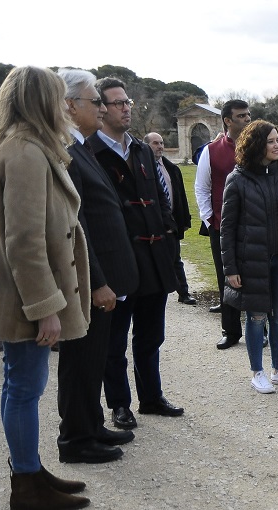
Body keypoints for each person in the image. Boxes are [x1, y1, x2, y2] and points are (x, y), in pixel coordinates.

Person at [0, 65, 91, 509]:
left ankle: (30, 472)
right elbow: (24, 240)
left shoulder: (24, 145)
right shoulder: (24, 151)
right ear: (40, 101)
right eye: (59, 98)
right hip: (22, 296)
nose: (65, 107)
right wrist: (45, 307)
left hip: (15, 291)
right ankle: (26, 486)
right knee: (24, 386)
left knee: (18, 384)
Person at [88, 77, 184, 431]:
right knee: (114, 340)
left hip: (154, 257)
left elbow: (159, 198)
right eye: (118, 103)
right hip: (118, 263)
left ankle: (151, 397)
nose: (126, 107)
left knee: (151, 335)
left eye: (128, 102)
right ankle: (119, 404)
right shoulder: (90, 153)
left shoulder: (142, 149)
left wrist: (169, 231)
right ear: (101, 108)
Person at [56, 68, 140, 465]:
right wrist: (99, 282)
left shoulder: (81, 147)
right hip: (92, 281)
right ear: (70, 106)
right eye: (95, 101)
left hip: (102, 278)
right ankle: (75, 438)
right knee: (81, 361)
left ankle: (89, 424)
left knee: (93, 358)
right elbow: (78, 226)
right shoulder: (67, 152)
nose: (102, 109)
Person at [220, 120, 278, 393]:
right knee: (257, 317)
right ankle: (257, 372)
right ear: (256, 144)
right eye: (271, 141)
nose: (277, 145)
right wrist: (230, 267)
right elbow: (227, 228)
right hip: (252, 262)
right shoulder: (237, 180)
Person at [195, 100, 252, 346]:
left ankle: (259, 330)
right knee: (226, 279)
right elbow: (202, 187)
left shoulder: (259, 147)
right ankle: (230, 331)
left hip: (255, 226)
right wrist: (209, 220)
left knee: (257, 279)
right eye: (241, 116)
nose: (247, 119)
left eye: (248, 115)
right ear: (228, 120)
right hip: (222, 226)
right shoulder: (211, 150)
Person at [145, 132, 196, 306]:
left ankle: (184, 292)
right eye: (155, 143)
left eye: (161, 143)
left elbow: (180, 195)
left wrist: (184, 220)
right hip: (150, 223)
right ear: (146, 145)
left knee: (175, 259)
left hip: (171, 222)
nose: (160, 146)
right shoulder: (142, 168)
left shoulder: (171, 168)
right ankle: (154, 292)